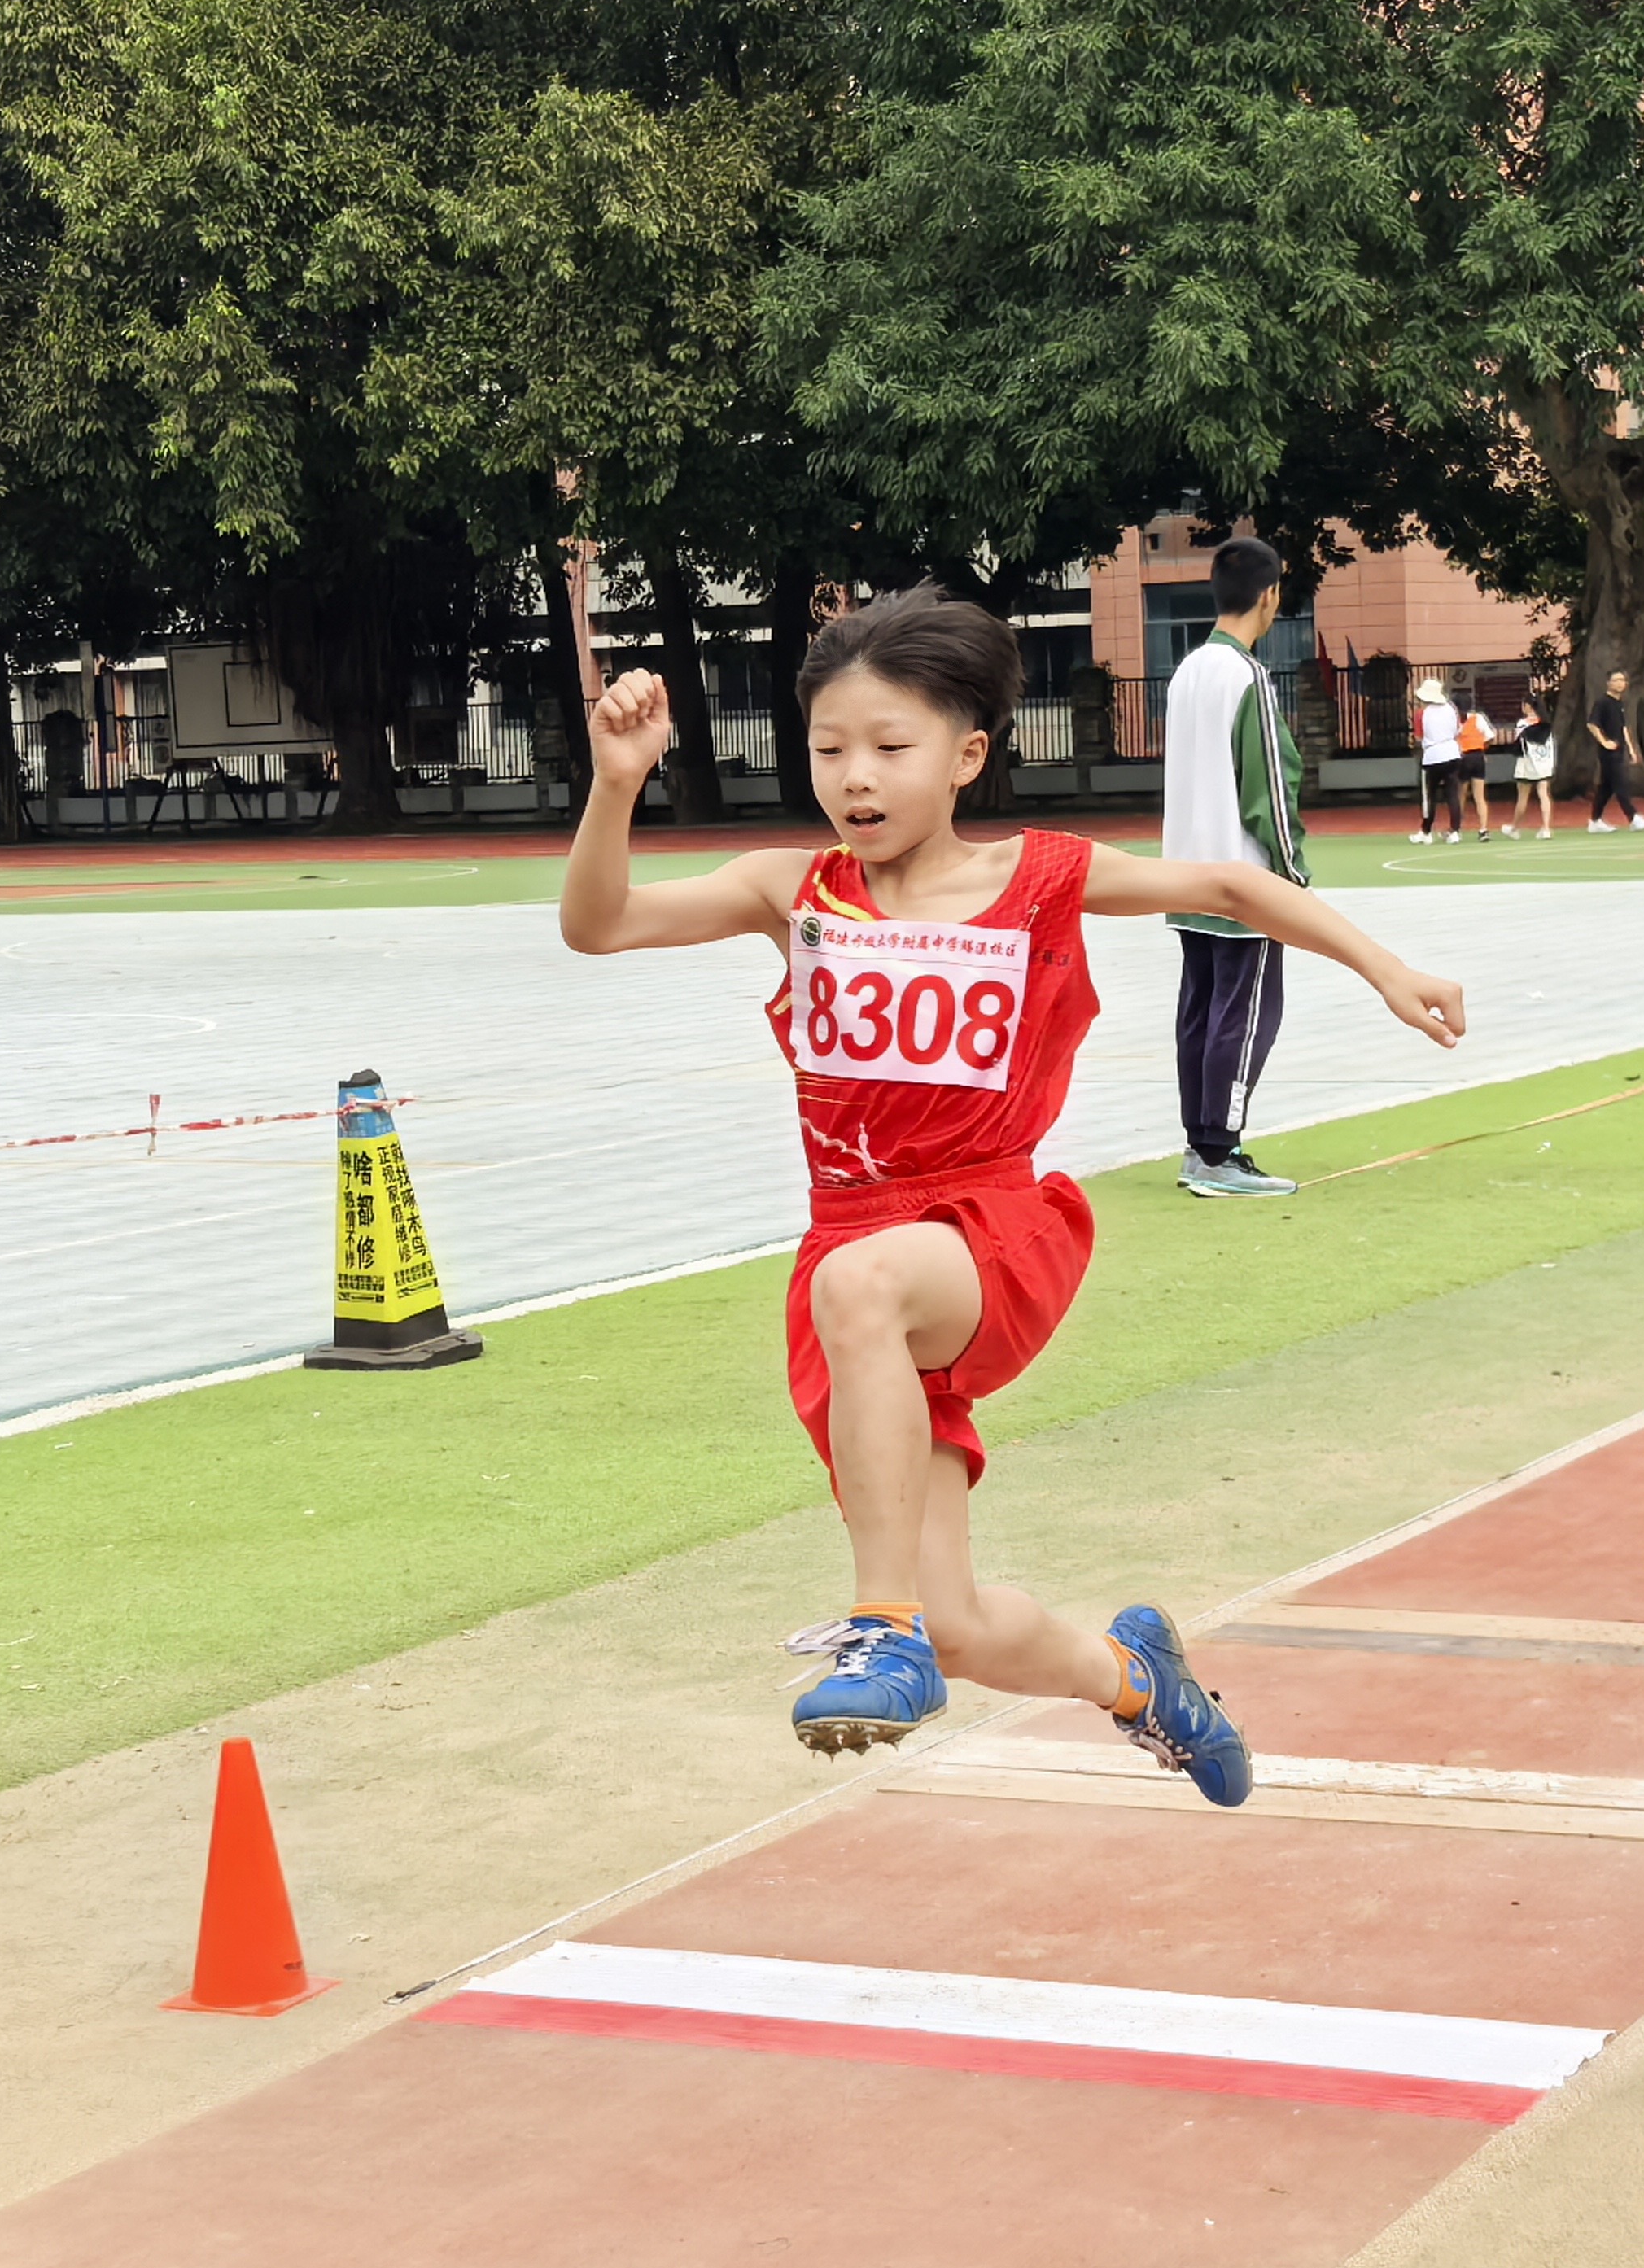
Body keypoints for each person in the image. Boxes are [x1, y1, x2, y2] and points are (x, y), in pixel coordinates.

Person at [557, 588, 1466, 1790]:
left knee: (864, 1290)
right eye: (830, 750)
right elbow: (601, 924)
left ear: (967, 756)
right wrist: (617, 783)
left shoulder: (1039, 877)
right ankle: (1139, 1680)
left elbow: (1234, 890)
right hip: (857, 1269)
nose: (855, 778)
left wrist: (1387, 968)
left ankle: (878, 1625)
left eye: (891, 747)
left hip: (988, 1230)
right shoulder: (793, 891)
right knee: (964, 1628)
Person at [1158, 535, 1308, 1195]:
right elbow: (1270, 787)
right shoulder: (1247, 676)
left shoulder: (1188, 671)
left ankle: (1201, 1145)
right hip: (1244, 882)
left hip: (1186, 875)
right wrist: (1292, 876)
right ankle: (1220, 1153)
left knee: (1200, 1010)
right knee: (1245, 1016)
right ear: (1270, 595)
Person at [1584, 669, 1644, 831]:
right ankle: (1633, 817)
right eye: (1616, 680)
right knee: (1621, 784)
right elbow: (1592, 724)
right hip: (1608, 753)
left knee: (1606, 788)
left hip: (1619, 751)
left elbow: (1623, 728)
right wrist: (1604, 742)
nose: (1620, 683)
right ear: (1609, 683)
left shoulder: (1619, 703)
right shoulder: (1603, 702)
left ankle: (1595, 820)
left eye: (1623, 680)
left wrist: (1631, 750)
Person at [1410, 672, 1466, 845]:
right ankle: (1455, 831)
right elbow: (1458, 730)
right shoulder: (1451, 708)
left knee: (1429, 795)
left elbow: (1419, 737)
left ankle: (1426, 831)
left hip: (1432, 756)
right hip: (1452, 753)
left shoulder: (1422, 713)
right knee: (1452, 794)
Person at [1505, 687, 1556, 837]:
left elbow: (1518, 746)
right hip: (1544, 763)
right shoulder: (1546, 723)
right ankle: (1546, 828)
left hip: (1527, 763)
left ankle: (1515, 828)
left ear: (1527, 706)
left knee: (1522, 797)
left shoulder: (1523, 723)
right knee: (1544, 794)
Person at [1457, 700, 1495, 839]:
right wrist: (1482, 749)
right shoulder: (1478, 718)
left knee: (1461, 794)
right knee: (1480, 796)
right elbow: (1491, 737)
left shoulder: (1455, 722)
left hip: (1463, 757)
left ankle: (1456, 829)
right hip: (1478, 756)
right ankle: (1483, 829)